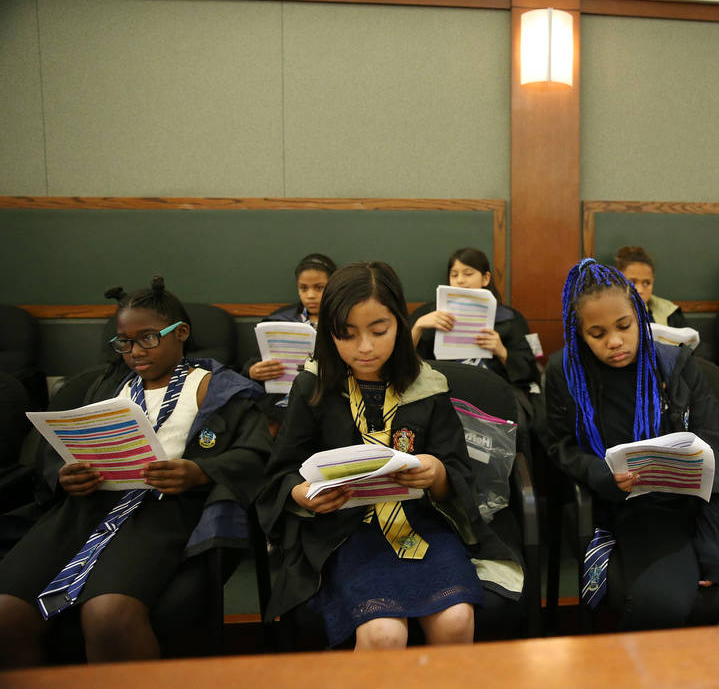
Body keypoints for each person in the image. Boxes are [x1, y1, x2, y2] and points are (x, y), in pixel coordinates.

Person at [0, 277, 270, 667]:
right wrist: (64, 473)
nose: (134, 351)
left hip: (160, 509)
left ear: (181, 333)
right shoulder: (103, 385)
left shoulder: (217, 388)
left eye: (147, 338)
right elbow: (53, 453)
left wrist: (199, 471)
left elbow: (256, 452)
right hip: (86, 508)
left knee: (108, 615)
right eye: (123, 342)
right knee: (7, 612)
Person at [256, 261, 522, 650]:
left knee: (455, 620)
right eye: (346, 335)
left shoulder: (427, 386)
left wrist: (437, 473)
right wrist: (302, 493)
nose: (365, 347)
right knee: (382, 633)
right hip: (346, 531)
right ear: (328, 334)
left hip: (422, 524)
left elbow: (457, 470)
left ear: (399, 324)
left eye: (379, 331)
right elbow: (280, 473)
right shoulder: (314, 387)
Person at [544, 258, 719, 631]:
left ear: (640, 317)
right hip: (640, 504)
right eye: (597, 333)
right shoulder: (566, 373)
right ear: (578, 333)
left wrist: (709, 532)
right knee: (660, 608)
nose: (614, 341)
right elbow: (558, 443)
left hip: (718, 496)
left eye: (625, 326)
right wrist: (599, 473)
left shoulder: (672, 361)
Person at [409, 248, 539, 397]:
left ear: (486, 278)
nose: (460, 280)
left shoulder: (510, 318)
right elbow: (404, 365)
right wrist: (418, 326)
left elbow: (530, 372)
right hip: (444, 393)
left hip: (497, 393)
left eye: (468, 273)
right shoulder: (429, 315)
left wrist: (501, 351)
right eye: (454, 274)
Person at [244, 252, 336, 385]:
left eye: (319, 287)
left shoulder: (344, 318)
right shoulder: (279, 320)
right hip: (282, 394)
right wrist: (252, 371)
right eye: (303, 288)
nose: (310, 295)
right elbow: (255, 361)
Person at [613, 246, 686, 328]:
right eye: (632, 282)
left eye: (647, 283)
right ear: (617, 281)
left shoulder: (670, 313)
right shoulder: (605, 313)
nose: (639, 290)